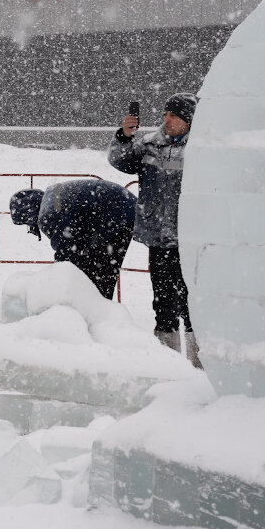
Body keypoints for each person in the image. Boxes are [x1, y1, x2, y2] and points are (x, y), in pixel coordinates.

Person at [108, 92, 202, 368]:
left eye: (174, 115)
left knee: (193, 306)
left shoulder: (201, 148)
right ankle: (170, 365)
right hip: (159, 239)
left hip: (190, 241)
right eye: (165, 114)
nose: (167, 120)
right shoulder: (148, 144)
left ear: (188, 120)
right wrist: (124, 136)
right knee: (163, 305)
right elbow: (120, 161)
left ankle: (199, 366)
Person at [9, 178, 136, 301]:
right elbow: (73, 240)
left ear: (30, 214)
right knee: (92, 269)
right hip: (119, 208)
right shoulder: (51, 198)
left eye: (26, 222)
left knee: (100, 273)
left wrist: (57, 280)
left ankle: (100, 314)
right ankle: (96, 309)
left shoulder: (48, 213)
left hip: (116, 215)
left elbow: (66, 250)